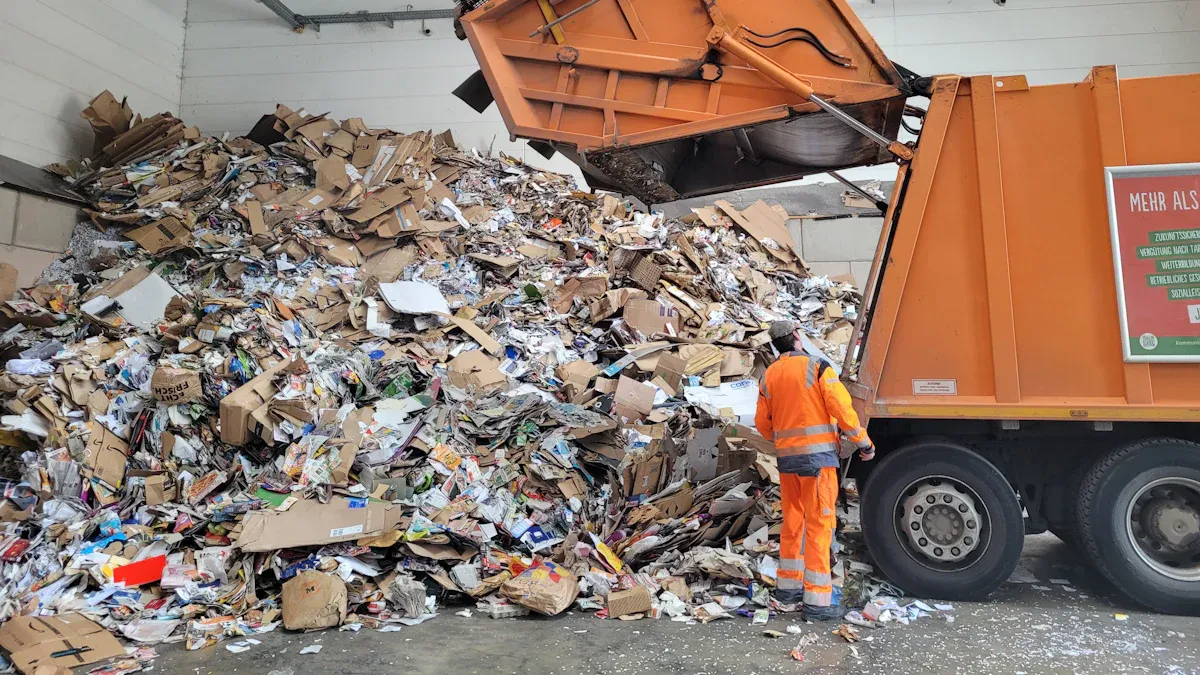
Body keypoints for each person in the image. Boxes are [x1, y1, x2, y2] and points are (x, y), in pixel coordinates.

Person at [755, 320, 875, 621]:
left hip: (787, 461)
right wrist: (863, 443)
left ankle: (788, 589)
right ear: (797, 337)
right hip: (817, 462)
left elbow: (762, 424)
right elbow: (842, 409)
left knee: (793, 520)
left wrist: (785, 439)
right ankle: (818, 602)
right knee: (820, 523)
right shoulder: (818, 367)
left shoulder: (769, 375)